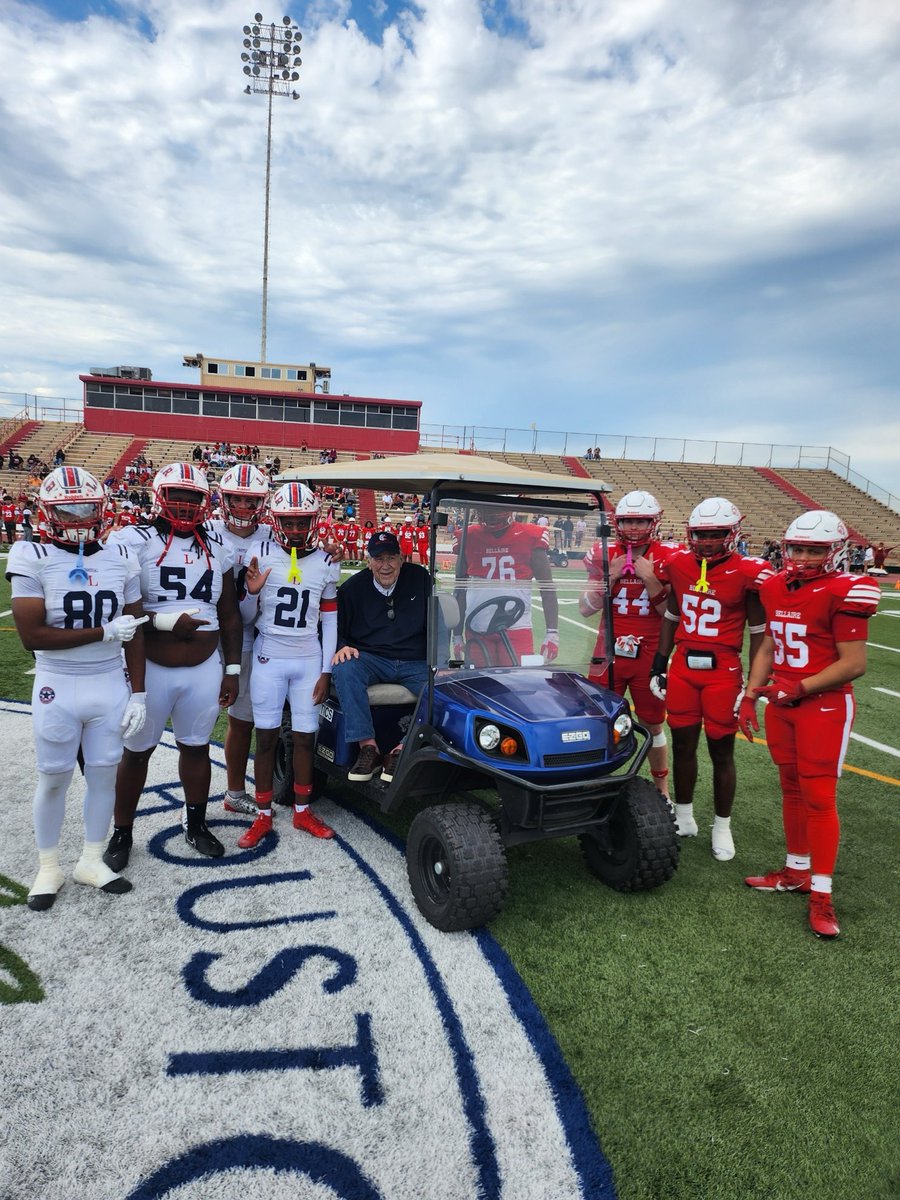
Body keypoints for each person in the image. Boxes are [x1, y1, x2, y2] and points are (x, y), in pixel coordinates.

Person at [7, 467, 147, 910]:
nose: (79, 518)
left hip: (108, 682)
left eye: (86, 508)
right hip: (57, 682)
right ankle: (48, 866)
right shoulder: (31, 554)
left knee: (104, 774)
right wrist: (103, 633)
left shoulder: (121, 558)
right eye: (67, 509)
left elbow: (136, 630)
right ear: (48, 512)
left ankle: (90, 859)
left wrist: (139, 692)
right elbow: (32, 635)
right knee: (53, 779)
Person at [738, 512, 880, 937]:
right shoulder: (775, 585)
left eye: (813, 550)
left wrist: (797, 687)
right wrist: (749, 695)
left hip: (823, 705)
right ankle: (795, 870)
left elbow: (854, 664)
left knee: (819, 796)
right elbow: (768, 645)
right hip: (783, 702)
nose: (802, 557)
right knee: (790, 788)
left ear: (834, 552)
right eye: (797, 548)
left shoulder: (846, 589)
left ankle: (822, 895)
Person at [103, 463, 242, 871]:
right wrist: (166, 621)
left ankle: (195, 824)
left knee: (196, 747)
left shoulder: (219, 544)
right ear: (159, 495)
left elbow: (230, 613)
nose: (184, 504)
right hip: (151, 666)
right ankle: (122, 831)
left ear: (205, 500)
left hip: (204, 667)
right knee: (136, 752)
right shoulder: (133, 540)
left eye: (193, 497)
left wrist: (232, 670)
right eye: (177, 495)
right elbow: (120, 608)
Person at [650, 497, 773, 860]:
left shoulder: (748, 571)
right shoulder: (677, 563)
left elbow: (759, 630)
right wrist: (659, 661)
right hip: (684, 667)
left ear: (731, 534)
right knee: (683, 743)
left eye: (715, 534)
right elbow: (671, 615)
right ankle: (685, 817)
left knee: (722, 750)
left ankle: (722, 826)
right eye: (700, 534)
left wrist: (753, 684)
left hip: (723, 669)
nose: (706, 541)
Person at [236, 482, 341, 847]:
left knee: (305, 739)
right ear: (276, 521)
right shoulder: (259, 551)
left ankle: (302, 810)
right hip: (269, 656)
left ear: (314, 520)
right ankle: (263, 816)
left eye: (302, 522)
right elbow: (246, 618)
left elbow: (330, 622)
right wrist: (251, 593)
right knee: (264, 738)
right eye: (289, 522)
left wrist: (326, 671)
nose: (296, 529)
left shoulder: (327, 562)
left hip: (308, 659)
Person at [579, 491, 674, 798]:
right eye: (628, 521)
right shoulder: (604, 553)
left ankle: (661, 788)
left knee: (653, 724)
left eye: (641, 520)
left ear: (653, 521)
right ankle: (594, 781)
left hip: (650, 653)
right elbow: (585, 607)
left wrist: (651, 580)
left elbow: (670, 613)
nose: (633, 527)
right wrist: (611, 575)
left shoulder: (670, 556)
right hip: (608, 650)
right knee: (597, 719)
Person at [331, 531, 431, 782]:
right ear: (369, 561)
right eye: (378, 559)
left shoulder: (420, 578)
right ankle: (369, 747)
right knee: (345, 668)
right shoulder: (353, 588)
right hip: (371, 659)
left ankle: (402, 749)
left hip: (414, 660)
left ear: (401, 559)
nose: (385, 565)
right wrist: (342, 645)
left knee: (444, 691)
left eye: (391, 558)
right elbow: (335, 627)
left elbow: (437, 619)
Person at [206, 462, 273, 817]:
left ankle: (234, 791)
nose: (244, 508)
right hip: (203, 638)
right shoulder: (206, 530)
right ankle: (196, 796)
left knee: (240, 719)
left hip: (250, 637)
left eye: (251, 501)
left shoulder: (272, 537)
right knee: (197, 718)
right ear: (224, 499)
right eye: (237, 500)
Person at [453, 507, 558, 666]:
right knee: (479, 682)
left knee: (517, 683)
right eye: (486, 509)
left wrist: (552, 633)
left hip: (516, 626)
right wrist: (457, 636)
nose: (490, 514)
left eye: (494, 509)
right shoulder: (468, 537)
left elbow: (547, 588)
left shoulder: (530, 535)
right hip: (477, 625)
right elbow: (460, 589)